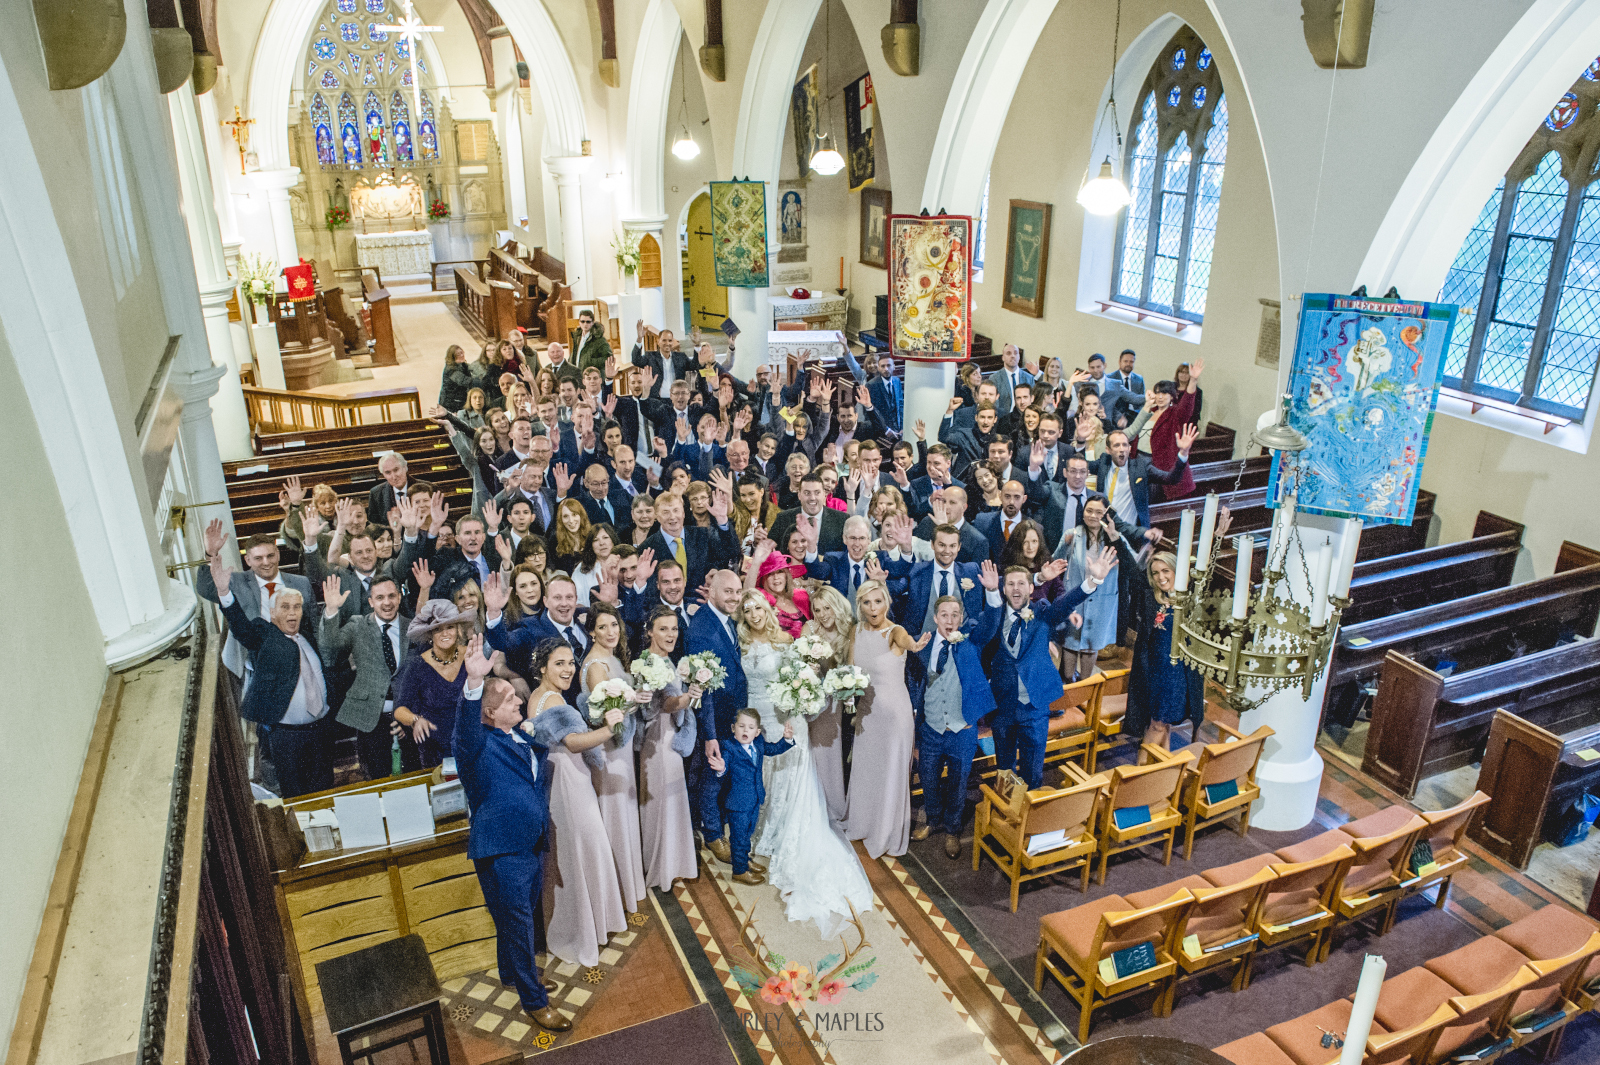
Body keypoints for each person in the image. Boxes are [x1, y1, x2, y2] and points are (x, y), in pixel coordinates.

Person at [451, 635, 570, 1033]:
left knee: (513, 919)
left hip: (530, 844)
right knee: (519, 925)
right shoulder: (476, 745)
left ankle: (510, 974)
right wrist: (472, 682)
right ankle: (534, 999)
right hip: (502, 850)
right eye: (510, 701)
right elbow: (463, 728)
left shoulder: (522, 736)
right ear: (489, 712)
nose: (520, 702)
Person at [736, 591, 875, 928]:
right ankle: (762, 831)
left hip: (785, 716)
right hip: (755, 720)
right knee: (762, 777)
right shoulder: (739, 643)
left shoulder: (786, 640)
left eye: (759, 607)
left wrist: (805, 681)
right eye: (748, 609)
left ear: (769, 610)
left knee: (788, 778)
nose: (754, 614)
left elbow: (799, 680)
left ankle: (784, 834)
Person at [523, 638, 629, 967]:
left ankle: (583, 925)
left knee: (571, 853)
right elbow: (573, 743)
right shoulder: (554, 698)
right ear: (542, 667)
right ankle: (589, 930)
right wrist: (610, 729)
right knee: (588, 846)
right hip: (570, 779)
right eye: (559, 663)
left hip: (555, 780)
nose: (569, 669)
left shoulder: (536, 698)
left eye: (571, 662)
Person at [205, 542, 331, 798]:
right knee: (296, 796)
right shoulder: (265, 635)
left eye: (296, 607)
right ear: (272, 613)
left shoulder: (308, 636)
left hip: (320, 730)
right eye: (285, 608)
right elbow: (242, 628)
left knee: (326, 788)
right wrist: (224, 592)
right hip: (287, 737)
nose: (292, 613)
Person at [987, 550, 1113, 787]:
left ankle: (1029, 818)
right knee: (1004, 770)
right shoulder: (992, 616)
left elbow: (1065, 603)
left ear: (1031, 588)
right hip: (1002, 706)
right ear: (1003, 589)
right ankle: (1007, 813)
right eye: (1010, 584)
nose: (1016, 589)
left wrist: (1092, 581)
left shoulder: (1043, 612)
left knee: (1032, 772)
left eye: (1021, 584)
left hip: (1034, 708)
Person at [910, 569, 1003, 859]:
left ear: (961, 618)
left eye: (955, 615)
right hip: (931, 728)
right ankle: (933, 819)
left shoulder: (970, 641)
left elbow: (990, 623)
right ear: (935, 618)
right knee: (928, 778)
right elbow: (915, 684)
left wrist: (991, 592)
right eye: (944, 615)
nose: (950, 621)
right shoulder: (922, 646)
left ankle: (952, 828)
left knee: (959, 781)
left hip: (962, 729)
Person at [846, 579, 930, 858]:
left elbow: (906, 642)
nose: (873, 608)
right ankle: (864, 823)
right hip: (867, 713)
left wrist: (916, 646)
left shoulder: (896, 632)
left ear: (887, 603)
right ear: (860, 605)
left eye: (878, 601)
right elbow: (849, 670)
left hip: (895, 715)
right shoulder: (855, 632)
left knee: (892, 771)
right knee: (868, 769)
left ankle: (887, 832)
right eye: (867, 602)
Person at [578, 602, 648, 913]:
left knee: (626, 809)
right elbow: (607, 713)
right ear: (591, 631)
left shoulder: (613, 658)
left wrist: (639, 697)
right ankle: (617, 888)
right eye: (602, 627)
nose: (610, 632)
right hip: (610, 748)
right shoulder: (595, 666)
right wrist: (634, 702)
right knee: (616, 810)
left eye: (614, 625)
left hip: (622, 744)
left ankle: (630, 881)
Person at [197, 519, 316, 679]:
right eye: (258, 558)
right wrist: (210, 554)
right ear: (248, 560)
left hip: (297, 660)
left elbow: (312, 624)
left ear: (278, 555)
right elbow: (205, 588)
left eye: (270, 556)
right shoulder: (236, 582)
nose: (266, 563)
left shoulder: (300, 583)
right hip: (256, 663)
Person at [319, 574, 411, 781]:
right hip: (371, 719)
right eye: (379, 598)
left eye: (391, 596)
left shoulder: (411, 627)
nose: (386, 602)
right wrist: (332, 611)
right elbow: (330, 651)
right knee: (377, 779)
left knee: (413, 775)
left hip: (406, 717)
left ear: (399, 597)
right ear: (371, 602)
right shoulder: (357, 625)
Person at [635, 607, 701, 889]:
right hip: (658, 737)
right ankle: (660, 865)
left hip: (670, 734)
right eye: (663, 629)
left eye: (674, 629)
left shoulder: (665, 659)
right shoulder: (648, 663)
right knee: (662, 798)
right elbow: (662, 704)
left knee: (672, 798)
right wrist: (689, 697)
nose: (670, 634)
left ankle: (674, 862)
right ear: (650, 631)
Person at [1126, 551, 1207, 755]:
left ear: (1176, 571)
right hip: (1153, 672)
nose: (1160, 577)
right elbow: (1132, 571)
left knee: (1160, 724)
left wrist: (1217, 537)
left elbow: (1206, 572)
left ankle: (1141, 775)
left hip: (1176, 674)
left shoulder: (1189, 601)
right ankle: (1159, 770)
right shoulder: (1151, 598)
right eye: (1155, 573)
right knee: (1158, 723)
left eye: (1165, 571)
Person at [689, 571, 748, 853]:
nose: (734, 597)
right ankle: (713, 835)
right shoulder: (702, 629)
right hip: (716, 720)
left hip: (730, 716)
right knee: (712, 781)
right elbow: (704, 690)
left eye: (738, 592)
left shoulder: (724, 620)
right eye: (728, 592)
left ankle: (720, 828)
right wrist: (710, 735)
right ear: (711, 591)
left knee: (724, 778)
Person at [1056, 495, 1145, 679]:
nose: (1093, 516)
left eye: (1099, 512)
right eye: (1089, 511)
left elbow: (1132, 567)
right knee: (1070, 644)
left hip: (1102, 603)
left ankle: (1086, 689)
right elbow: (1055, 561)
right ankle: (1068, 687)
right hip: (1075, 599)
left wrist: (1115, 536)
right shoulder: (1073, 534)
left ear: (1106, 515)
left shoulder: (1115, 538)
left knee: (1090, 646)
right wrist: (1064, 545)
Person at [709, 709, 796, 885]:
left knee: (747, 834)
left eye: (750, 728)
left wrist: (786, 740)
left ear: (757, 732)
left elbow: (773, 749)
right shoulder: (729, 747)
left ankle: (744, 860)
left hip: (755, 799)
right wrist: (720, 769)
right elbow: (724, 766)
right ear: (733, 728)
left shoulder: (758, 743)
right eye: (741, 726)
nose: (745, 731)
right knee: (738, 837)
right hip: (738, 803)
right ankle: (739, 871)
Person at [395, 599, 473, 767]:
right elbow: (400, 710)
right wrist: (416, 720)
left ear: (458, 629)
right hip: (435, 749)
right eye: (438, 629)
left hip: (472, 741)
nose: (445, 633)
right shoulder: (417, 665)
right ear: (429, 634)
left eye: (450, 627)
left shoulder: (471, 655)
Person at [769, 472, 848, 555]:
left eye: (817, 492)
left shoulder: (841, 519)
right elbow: (770, 551)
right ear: (799, 495)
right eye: (807, 493)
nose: (812, 498)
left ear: (824, 494)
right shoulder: (783, 518)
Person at [745, 538, 811, 636]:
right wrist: (756, 563)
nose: (776, 578)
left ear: (786, 575)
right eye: (770, 574)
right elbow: (747, 593)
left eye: (780, 572)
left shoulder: (801, 596)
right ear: (764, 579)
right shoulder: (762, 598)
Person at [572, 524, 618, 606]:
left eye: (605, 538)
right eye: (595, 540)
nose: (602, 543)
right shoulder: (581, 568)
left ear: (613, 540)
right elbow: (576, 600)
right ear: (591, 545)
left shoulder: (623, 562)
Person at [367, 451, 413, 526]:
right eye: (388, 472)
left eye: (396, 470)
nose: (394, 477)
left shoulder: (426, 488)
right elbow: (375, 527)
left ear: (405, 467)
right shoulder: (375, 493)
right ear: (383, 474)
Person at [550, 499, 591, 574]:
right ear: (561, 520)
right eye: (566, 516)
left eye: (574, 514)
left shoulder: (591, 537)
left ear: (581, 515)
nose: (571, 520)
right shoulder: (555, 541)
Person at [439, 344, 475, 413]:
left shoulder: (462, 365)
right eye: (458, 354)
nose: (461, 355)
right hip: (451, 405)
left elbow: (474, 369)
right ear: (452, 357)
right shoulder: (451, 370)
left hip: (459, 401)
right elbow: (466, 381)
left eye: (462, 353)